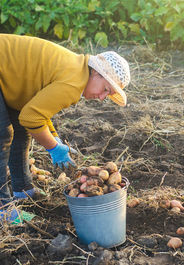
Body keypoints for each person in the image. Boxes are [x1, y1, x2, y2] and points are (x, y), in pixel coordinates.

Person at [0, 34, 131, 222]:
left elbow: (38, 109)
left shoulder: (76, 70)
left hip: (6, 78)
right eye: (105, 90)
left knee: (20, 131)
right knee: (2, 135)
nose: (102, 98)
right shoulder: (73, 83)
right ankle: (2, 209)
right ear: (96, 72)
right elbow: (31, 118)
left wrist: (54, 136)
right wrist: (52, 147)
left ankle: (23, 191)